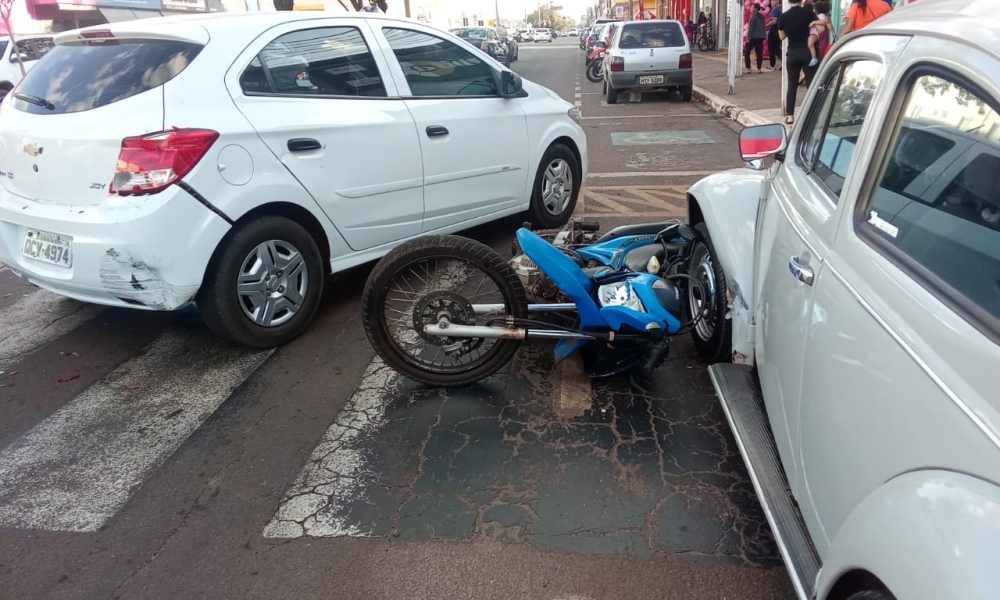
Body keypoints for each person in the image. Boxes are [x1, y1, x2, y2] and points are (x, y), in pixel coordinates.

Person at [779, 0, 820, 125]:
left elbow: (782, 37)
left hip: (792, 53)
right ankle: (814, 113)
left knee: (792, 85)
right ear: (801, 1)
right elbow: (819, 27)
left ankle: (790, 116)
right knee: (811, 83)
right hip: (808, 52)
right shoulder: (808, 13)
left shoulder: (784, 16)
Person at [744, 3, 767, 74]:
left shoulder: (753, 16)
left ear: (756, 9)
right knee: (759, 53)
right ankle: (759, 68)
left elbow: (751, 27)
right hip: (760, 37)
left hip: (753, 36)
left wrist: (748, 37)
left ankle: (748, 68)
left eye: (752, 8)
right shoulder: (762, 16)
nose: (751, 9)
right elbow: (763, 26)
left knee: (747, 51)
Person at [807, 1, 831, 66]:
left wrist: (814, 22)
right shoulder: (820, 16)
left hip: (818, 34)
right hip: (818, 34)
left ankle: (814, 58)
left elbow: (822, 22)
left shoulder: (821, 16)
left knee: (813, 45)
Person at [766, 2, 782, 71]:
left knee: (772, 48)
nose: (772, 2)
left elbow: (774, 21)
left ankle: (772, 65)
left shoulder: (777, 9)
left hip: (774, 30)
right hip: (778, 30)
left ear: (778, 1)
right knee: (776, 48)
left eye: (774, 0)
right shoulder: (780, 8)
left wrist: (766, 25)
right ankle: (783, 60)